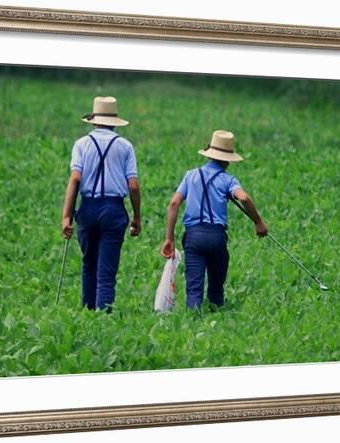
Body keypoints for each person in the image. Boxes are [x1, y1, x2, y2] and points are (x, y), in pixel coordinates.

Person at [160, 130, 268, 310]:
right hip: (217, 237)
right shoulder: (228, 179)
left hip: (193, 237)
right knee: (216, 287)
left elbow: (174, 203)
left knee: (194, 288)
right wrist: (258, 222)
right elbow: (244, 198)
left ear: (210, 154)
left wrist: (169, 238)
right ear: (227, 159)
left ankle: (193, 322)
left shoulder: (191, 175)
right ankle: (216, 313)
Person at [62, 96, 141, 312]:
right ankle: (103, 319)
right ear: (114, 121)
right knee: (106, 272)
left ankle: (88, 313)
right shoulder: (125, 146)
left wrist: (66, 216)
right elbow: (133, 185)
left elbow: (75, 179)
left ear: (94, 120)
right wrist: (136, 217)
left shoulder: (81, 144)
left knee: (89, 265)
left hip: (87, 209)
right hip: (113, 210)